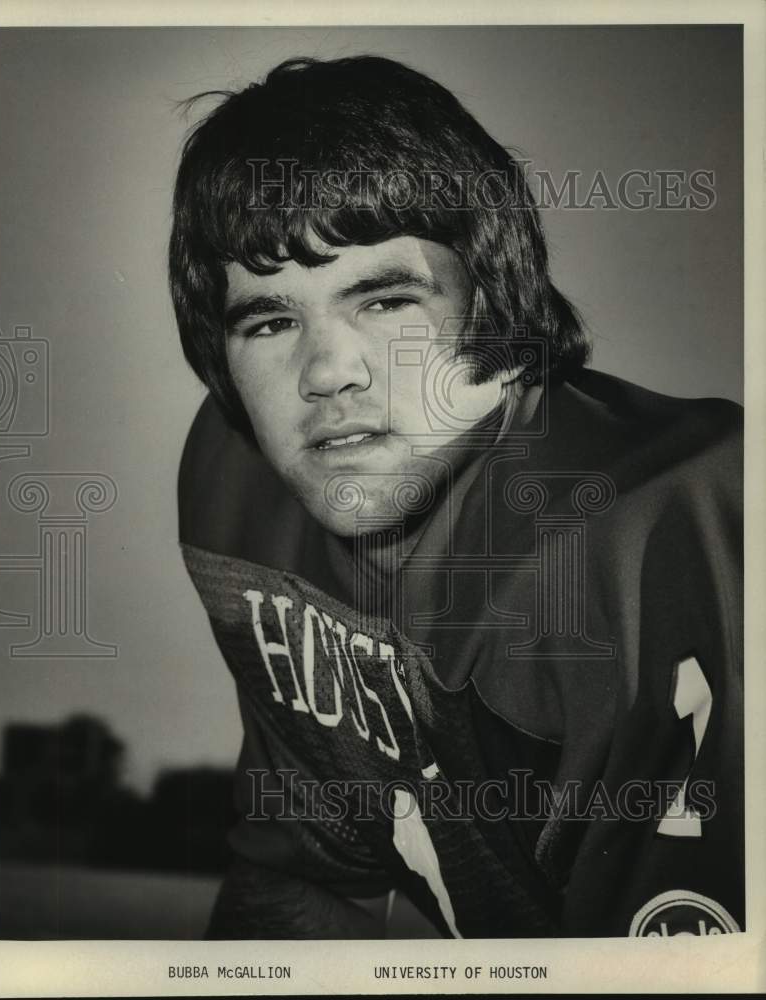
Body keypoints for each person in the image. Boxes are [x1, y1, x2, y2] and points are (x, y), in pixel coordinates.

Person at [170, 55, 743, 938]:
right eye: (271, 321)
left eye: (386, 301)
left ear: (499, 304)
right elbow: (308, 881)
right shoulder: (241, 473)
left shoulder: (652, 525)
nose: (326, 372)